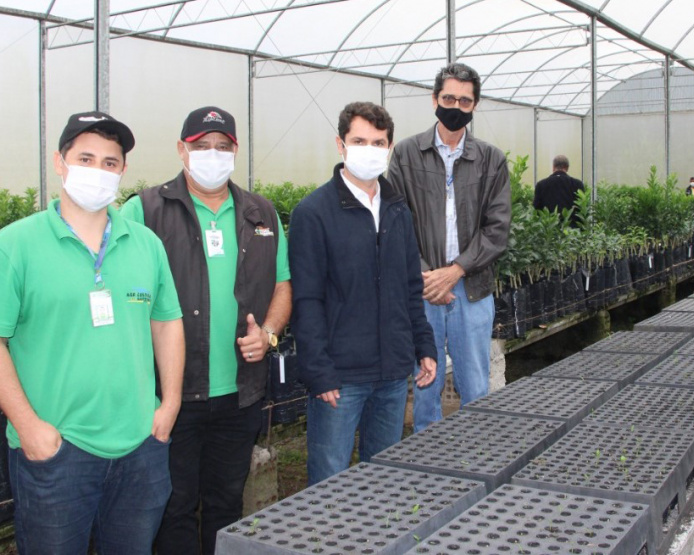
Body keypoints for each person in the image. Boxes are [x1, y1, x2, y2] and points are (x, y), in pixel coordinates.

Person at [0, 112, 184, 553]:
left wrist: (170, 404)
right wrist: (29, 428)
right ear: (60, 162)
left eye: (109, 162)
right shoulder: (16, 244)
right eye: (85, 158)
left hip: (141, 445)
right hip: (57, 451)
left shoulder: (145, 244)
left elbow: (166, 321)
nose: (98, 171)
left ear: (122, 171)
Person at [120, 106, 292, 555]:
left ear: (235, 152)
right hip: (171, 393)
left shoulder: (261, 213)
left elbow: (282, 285)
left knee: (225, 501)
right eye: (200, 147)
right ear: (182, 150)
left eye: (221, 147)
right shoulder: (146, 209)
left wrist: (269, 334)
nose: (211, 155)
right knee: (172, 506)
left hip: (240, 393)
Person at [288, 102, 437, 484]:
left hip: (392, 373)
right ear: (340, 144)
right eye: (359, 140)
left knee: (383, 478)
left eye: (378, 142)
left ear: (389, 148)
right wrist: (319, 372)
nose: (369, 150)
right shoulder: (314, 212)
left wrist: (424, 346)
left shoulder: (397, 210)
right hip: (341, 377)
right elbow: (306, 300)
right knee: (330, 479)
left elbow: (409, 286)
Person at [387, 63, 511, 432]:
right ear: (434, 99)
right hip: (422, 287)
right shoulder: (408, 154)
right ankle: (429, 454)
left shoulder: (491, 159)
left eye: (464, 100)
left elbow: (497, 229)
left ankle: (475, 449)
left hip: (471, 288)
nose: (455, 106)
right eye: (448, 98)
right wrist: (427, 275)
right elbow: (398, 222)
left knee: (474, 380)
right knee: (425, 379)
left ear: (475, 104)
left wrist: (455, 270)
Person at [533, 154, 585, 224]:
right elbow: (582, 210)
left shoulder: (541, 185)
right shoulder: (577, 184)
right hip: (572, 231)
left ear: (553, 167)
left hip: (549, 229)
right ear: (567, 168)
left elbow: (536, 210)